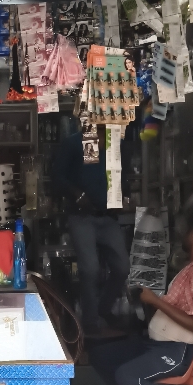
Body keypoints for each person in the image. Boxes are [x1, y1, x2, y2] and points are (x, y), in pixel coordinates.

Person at [90, 209, 193, 385]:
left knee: (129, 376)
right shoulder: (190, 268)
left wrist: (156, 302)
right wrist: (146, 301)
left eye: (187, 232)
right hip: (158, 344)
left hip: (180, 350)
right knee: (102, 355)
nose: (182, 236)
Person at [55, 126, 129, 335]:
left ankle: (103, 308)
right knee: (90, 269)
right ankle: (89, 322)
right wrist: (76, 194)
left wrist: (124, 196)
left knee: (122, 267)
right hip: (82, 217)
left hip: (108, 216)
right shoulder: (76, 142)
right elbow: (58, 177)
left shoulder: (115, 142)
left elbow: (121, 174)